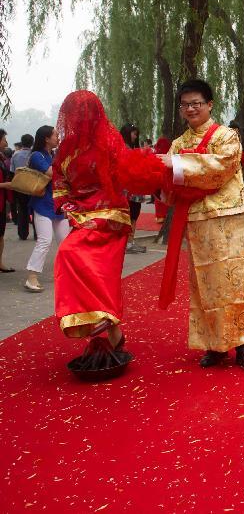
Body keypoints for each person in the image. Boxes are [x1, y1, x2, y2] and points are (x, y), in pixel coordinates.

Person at [159, 79, 244, 372]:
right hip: (197, 221)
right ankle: (214, 344)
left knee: (239, 281)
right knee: (206, 285)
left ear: (209, 104)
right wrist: (156, 177)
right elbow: (169, 183)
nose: (191, 108)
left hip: (230, 218)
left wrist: (177, 165)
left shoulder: (227, 136)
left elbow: (220, 169)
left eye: (196, 103)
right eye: (185, 104)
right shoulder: (178, 143)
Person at [52, 91, 132, 359]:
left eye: (87, 111)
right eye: (77, 112)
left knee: (103, 274)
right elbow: (60, 183)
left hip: (111, 218)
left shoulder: (111, 140)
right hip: (82, 218)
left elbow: (126, 175)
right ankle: (107, 330)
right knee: (71, 256)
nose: (82, 117)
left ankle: (108, 326)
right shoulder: (66, 148)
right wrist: (67, 206)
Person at [24, 125, 70, 292]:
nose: (58, 138)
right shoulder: (37, 155)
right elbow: (52, 172)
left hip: (57, 203)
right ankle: (32, 276)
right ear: (46, 138)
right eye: (55, 135)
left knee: (66, 241)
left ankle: (66, 273)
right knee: (45, 240)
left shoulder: (53, 154)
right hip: (42, 204)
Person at [120, 124, 147, 254]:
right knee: (129, 215)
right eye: (134, 134)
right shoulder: (121, 148)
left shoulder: (132, 148)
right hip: (127, 189)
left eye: (136, 134)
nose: (135, 136)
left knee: (134, 215)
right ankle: (127, 243)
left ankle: (130, 241)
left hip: (135, 188)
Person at [10, 133, 34, 240]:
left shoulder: (15, 155)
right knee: (35, 209)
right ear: (32, 143)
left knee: (22, 209)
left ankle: (23, 234)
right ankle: (37, 234)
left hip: (20, 186)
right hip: (33, 186)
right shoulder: (34, 154)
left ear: (22, 142)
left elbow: (12, 172)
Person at [152, 137, 172, 223]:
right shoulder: (168, 143)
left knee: (160, 197)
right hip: (165, 172)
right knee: (164, 195)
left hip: (159, 174)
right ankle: (163, 215)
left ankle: (160, 216)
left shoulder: (159, 147)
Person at [0, 129, 11, 272]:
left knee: (1, 235)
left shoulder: (2, 157)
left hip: (2, 202)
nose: (6, 142)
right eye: (4, 139)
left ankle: (0, 262)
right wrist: (5, 185)